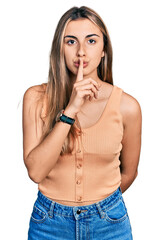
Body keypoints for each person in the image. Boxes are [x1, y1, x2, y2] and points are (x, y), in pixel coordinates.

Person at [22, 5, 142, 240]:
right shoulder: (36, 98)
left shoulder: (127, 106)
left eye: (91, 41)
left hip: (109, 225)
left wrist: (100, 205)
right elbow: (36, 172)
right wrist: (71, 110)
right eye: (71, 42)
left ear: (104, 49)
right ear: (60, 48)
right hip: (49, 225)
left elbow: (128, 173)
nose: (81, 52)